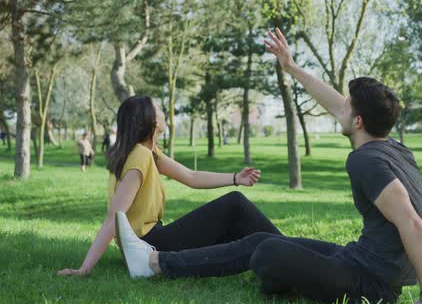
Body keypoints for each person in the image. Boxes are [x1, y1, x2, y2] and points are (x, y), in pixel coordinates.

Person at [114, 28, 422, 304]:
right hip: (356, 261)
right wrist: (291, 67)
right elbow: (338, 103)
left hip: (371, 285)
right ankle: (285, 275)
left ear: (357, 121)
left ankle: (157, 263)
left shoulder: (366, 160)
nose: (341, 106)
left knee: (267, 250)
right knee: (263, 241)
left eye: (347, 106)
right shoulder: (393, 147)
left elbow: (411, 222)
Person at [57, 95, 281, 277]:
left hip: (153, 238)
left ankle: (280, 260)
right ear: (151, 120)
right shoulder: (139, 157)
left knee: (233, 222)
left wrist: (235, 178)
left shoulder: (148, 153)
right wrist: (84, 269)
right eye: (158, 108)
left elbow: (191, 177)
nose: (164, 112)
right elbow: (114, 217)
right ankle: (290, 251)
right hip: (149, 244)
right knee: (235, 204)